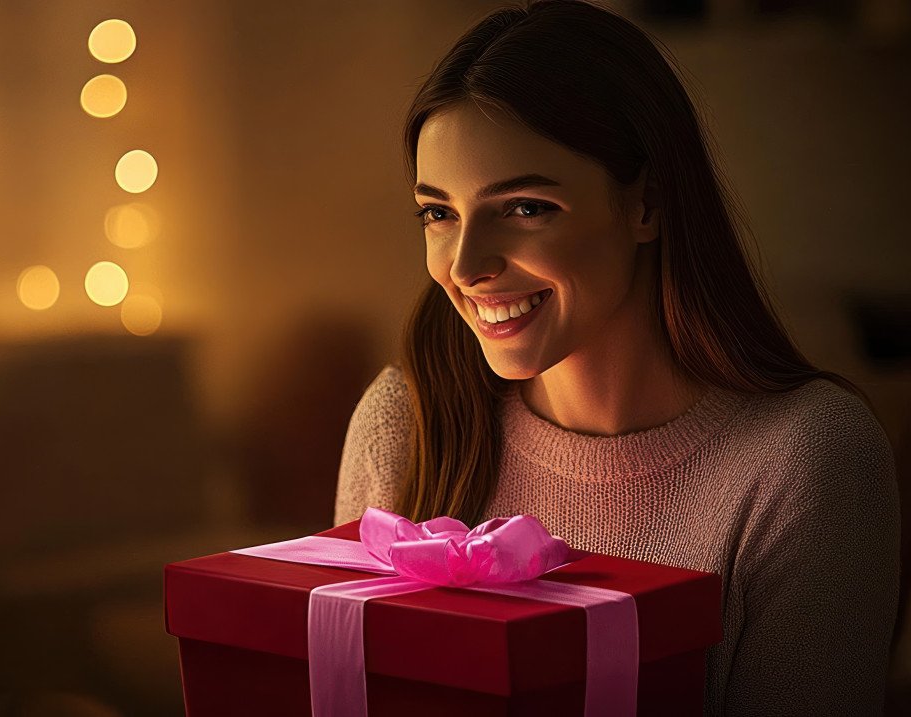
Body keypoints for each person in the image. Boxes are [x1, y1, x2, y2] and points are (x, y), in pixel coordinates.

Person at [331, 1, 901, 714]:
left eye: (525, 207)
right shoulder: (402, 426)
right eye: (438, 213)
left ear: (648, 202)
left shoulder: (808, 459)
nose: (467, 264)